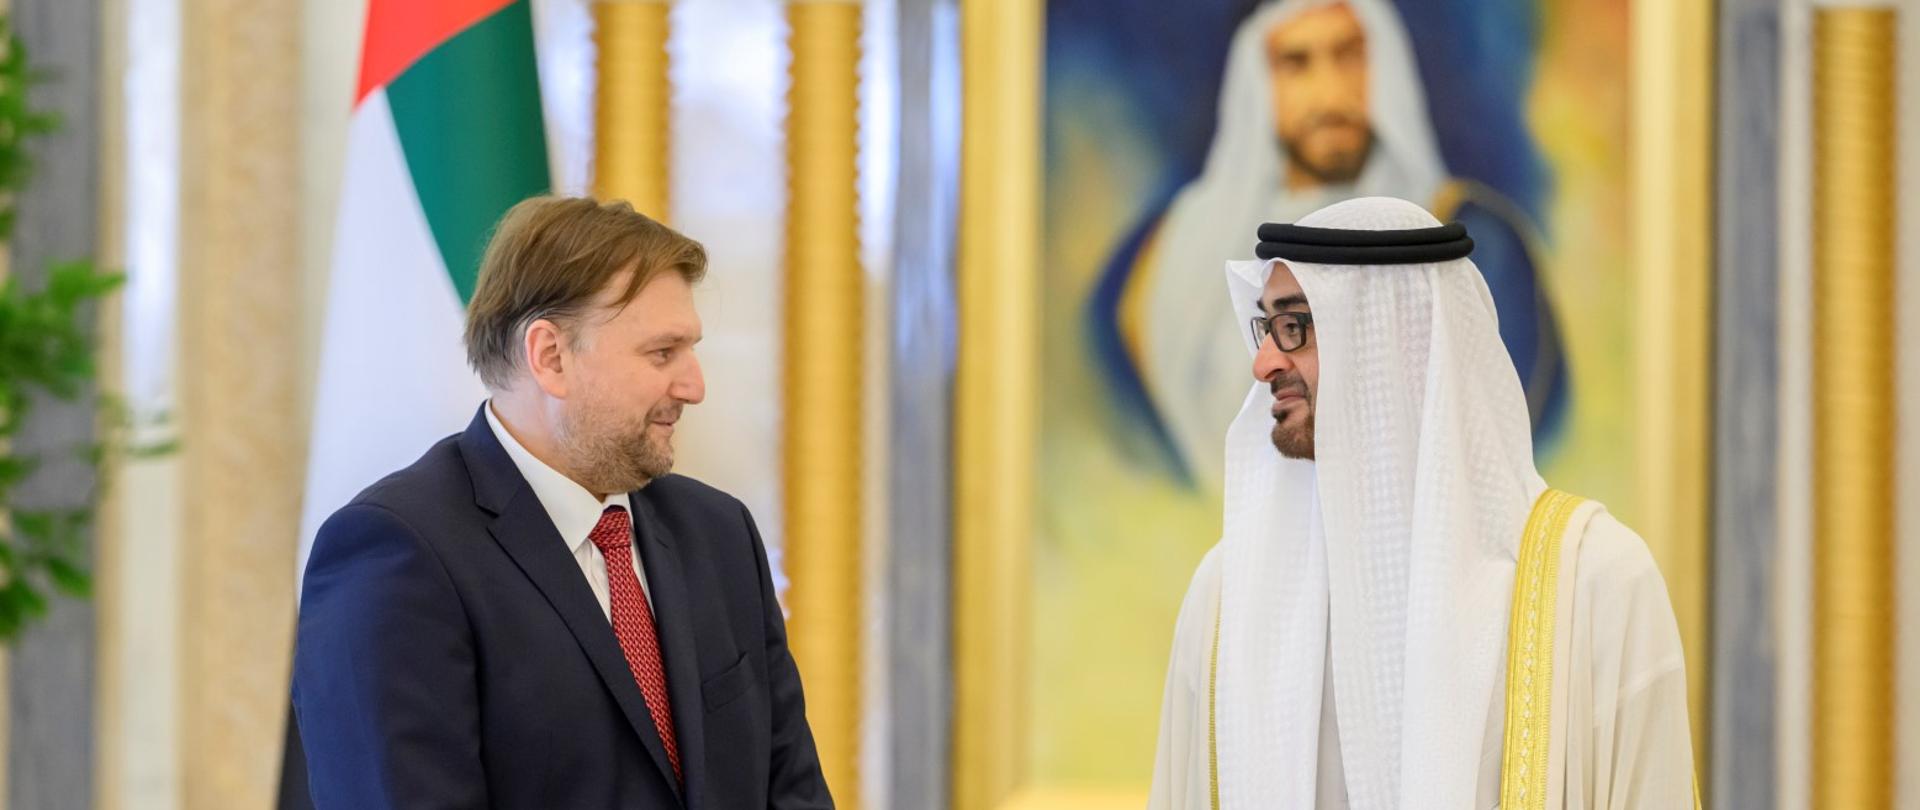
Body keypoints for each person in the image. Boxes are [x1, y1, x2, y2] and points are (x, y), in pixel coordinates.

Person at [1148, 197, 1693, 809]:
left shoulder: (1598, 585)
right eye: (1267, 327)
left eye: (1294, 326)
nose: (1264, 362)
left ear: (1396, 334)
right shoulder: (1227, 597)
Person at [292, 196, 833, 809]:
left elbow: (792, 790)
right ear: (550, 357)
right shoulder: (396, 553)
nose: (694, 385)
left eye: (691, 350)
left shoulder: (719, 532)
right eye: (662, 353)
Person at [1093, 0, 1565, 492]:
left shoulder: (1474, 244)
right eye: (1297, 63)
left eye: (1350, 55)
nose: (1330, 92)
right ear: (1254, 84)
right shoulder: (1160, 269)